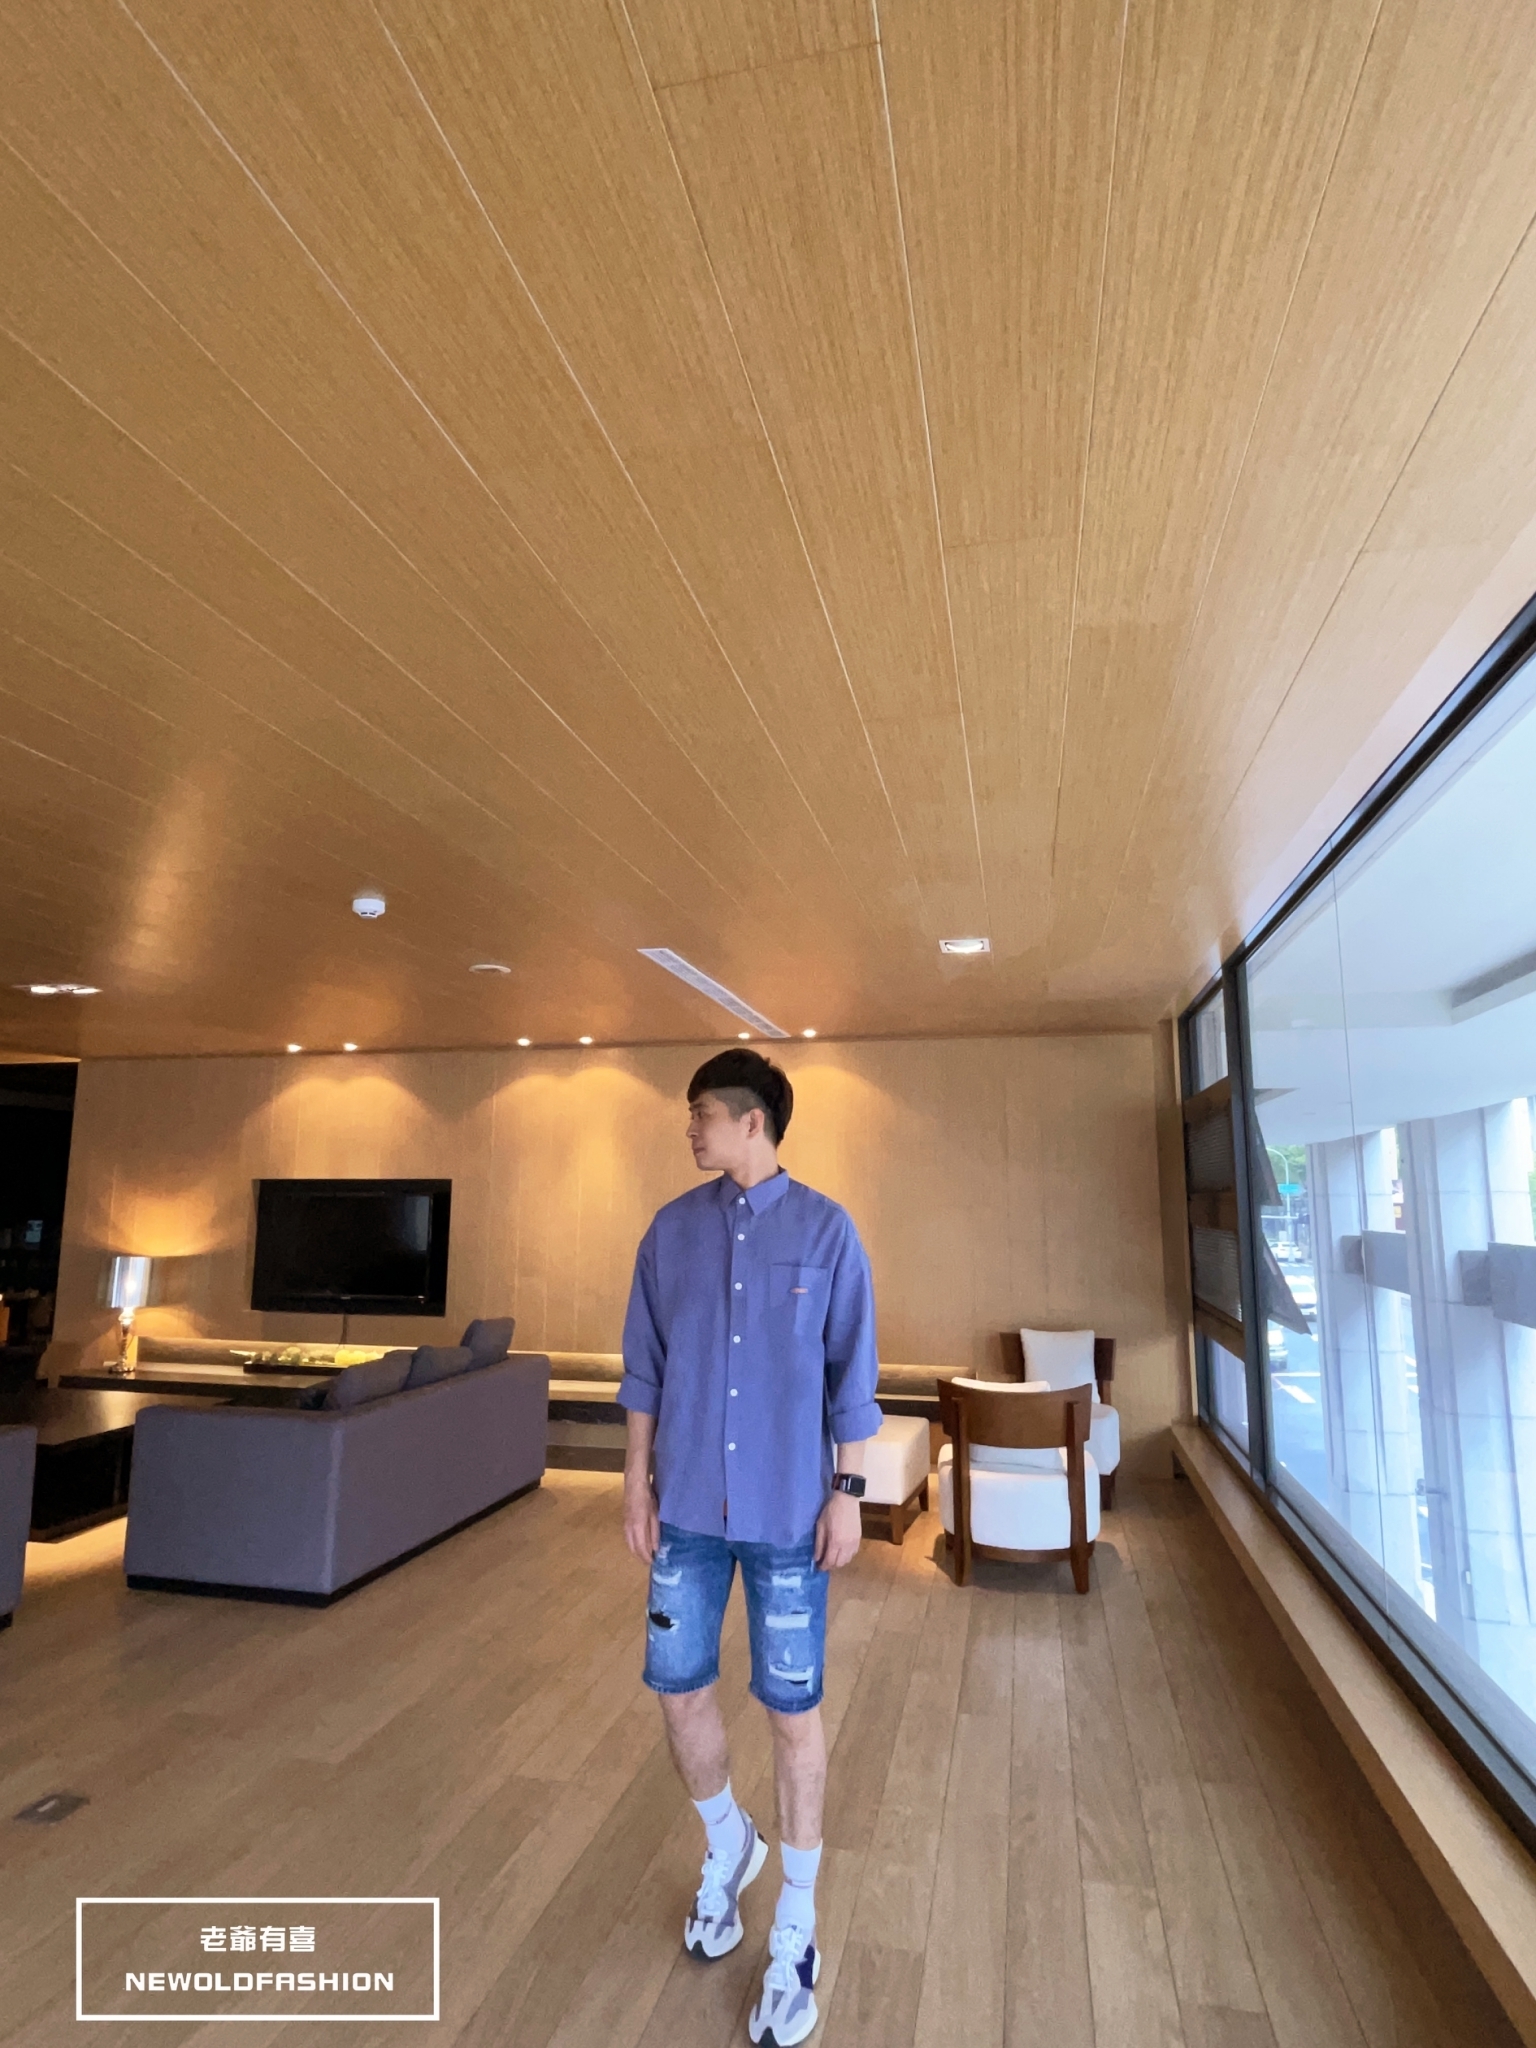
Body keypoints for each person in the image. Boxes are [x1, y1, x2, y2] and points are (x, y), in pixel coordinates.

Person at [618, 1047, 881, 2048]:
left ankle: (798, 1927)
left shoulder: (827, 1230)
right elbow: (644, 1368)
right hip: (686, 1506)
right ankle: (728, 1840)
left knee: (792, 1712)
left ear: (752, 1122)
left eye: (701, 1113)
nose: (690, 1128)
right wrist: (634, 1480)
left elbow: (852, 1374)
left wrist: (848, 1493)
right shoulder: (669, 1232)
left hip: (788, 1516)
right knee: (676, 1685)